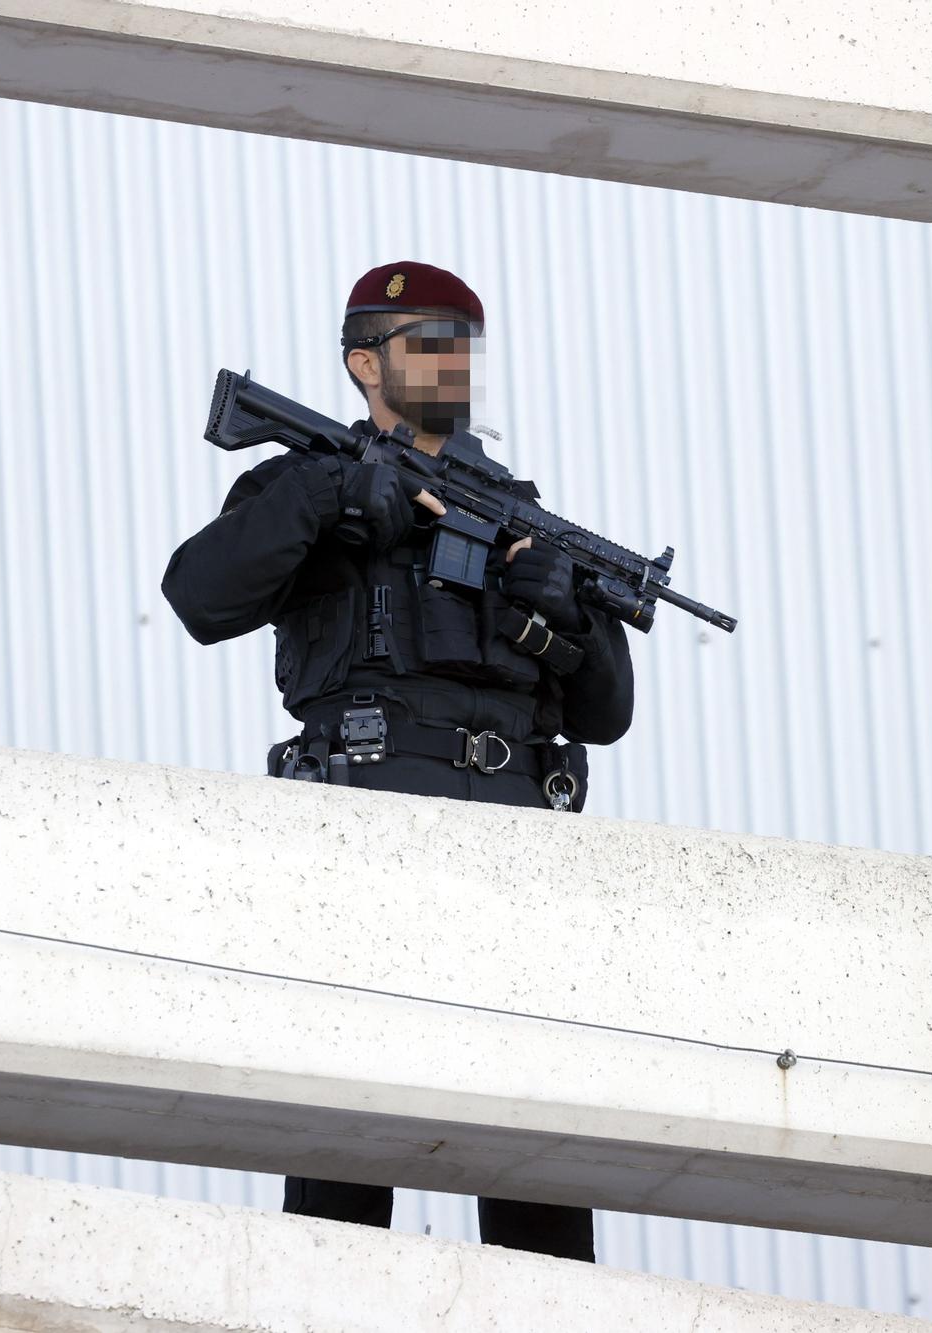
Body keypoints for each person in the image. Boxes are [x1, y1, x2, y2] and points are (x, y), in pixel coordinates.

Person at [161, 260, 634, 1262]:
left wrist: (563, 611)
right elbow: (199, 596)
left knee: (533, 1157)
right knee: (350, 1137)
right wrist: (331, 495)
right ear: (361, 364)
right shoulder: (305, 481)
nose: (450, 360)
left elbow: (606, 714)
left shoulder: (523, 518)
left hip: (516, 848)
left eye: (461, 342)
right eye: (426, 340)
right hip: (363, 834)